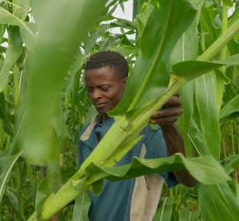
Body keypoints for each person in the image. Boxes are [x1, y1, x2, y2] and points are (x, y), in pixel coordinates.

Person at [77, 51, 196, 221]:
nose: (95, 96)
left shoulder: (149, 129)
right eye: (90, 89)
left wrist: (168, 126)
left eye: (104, 88)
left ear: (125, 84)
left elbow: (189, 179)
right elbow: (82, 189)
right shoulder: (86, 133)